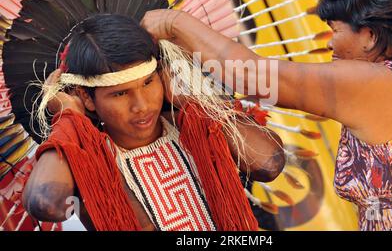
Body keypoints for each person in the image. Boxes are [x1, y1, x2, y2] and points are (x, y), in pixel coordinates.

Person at [141, 0, 392, 231]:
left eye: (335, 31)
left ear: (369, 36)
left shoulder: (375, 84)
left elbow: (253, 77)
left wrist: (174, 22)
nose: (330, 44)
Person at [22, 14, 284, 231]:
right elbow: (46, 204)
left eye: (148, 82)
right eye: (120, 93)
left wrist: (192, 99)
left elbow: (268, 163)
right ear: (85, 98)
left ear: (163, 75)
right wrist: (68, 118)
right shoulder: (86, 162)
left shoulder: (193, 125)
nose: (142, 105)